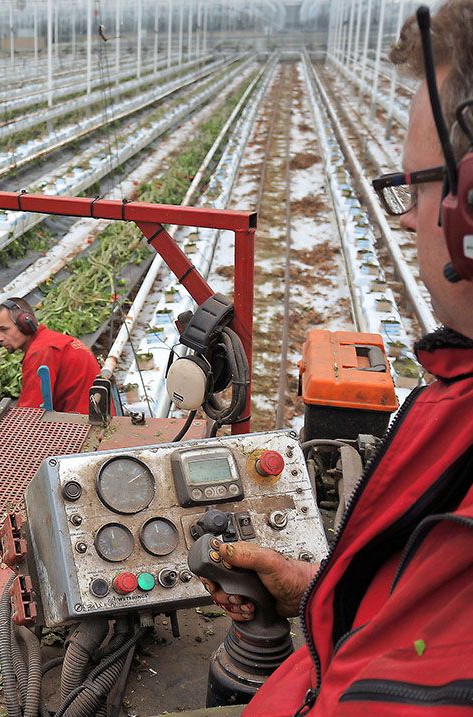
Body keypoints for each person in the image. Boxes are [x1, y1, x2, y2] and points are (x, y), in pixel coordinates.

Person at [200, 4, 473, 714]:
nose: (409, 218)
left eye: (417, 185)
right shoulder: (459, 397)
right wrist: (326, 586)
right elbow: (416, 621)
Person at [0, 297, 100, 414]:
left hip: (85, 425)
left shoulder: (41, 352)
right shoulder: (50, 340)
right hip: (97, 415)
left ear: (25, 323)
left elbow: (29, 413)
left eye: (4, 329)